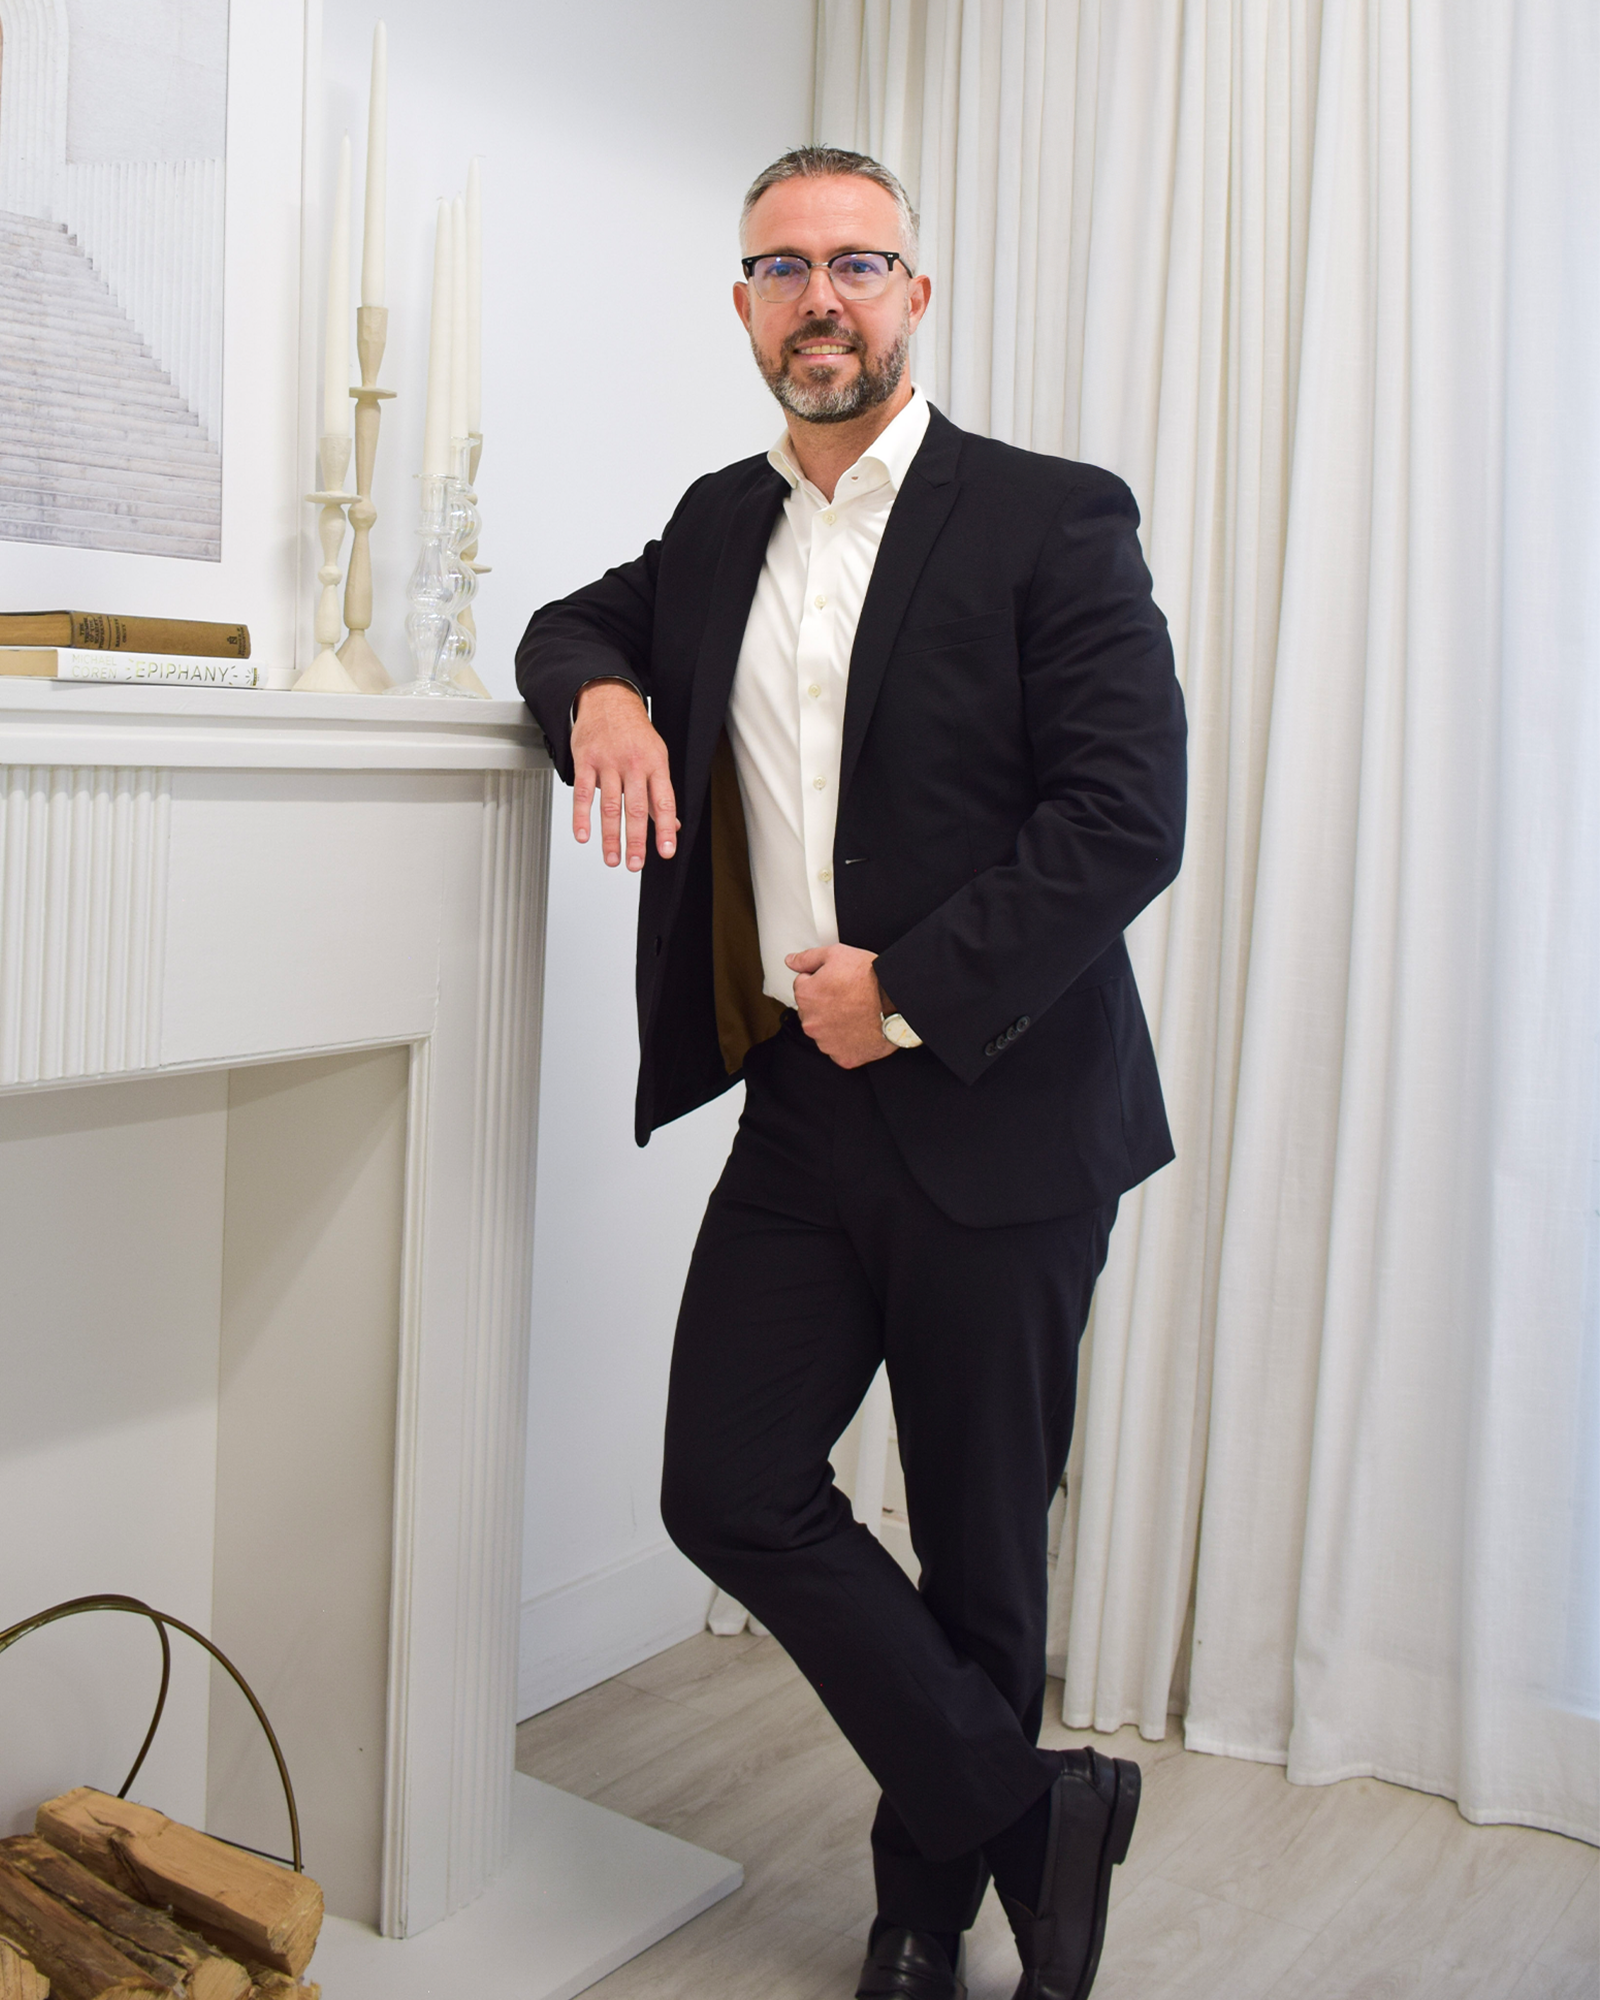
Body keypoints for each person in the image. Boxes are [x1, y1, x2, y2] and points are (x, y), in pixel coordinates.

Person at [516, 145, 1186, 2000]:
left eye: (857, 263)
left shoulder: (1050, 518)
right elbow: (569, 625)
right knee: (727, 1483)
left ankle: (922, 1912)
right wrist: (604, 695)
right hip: (802, 1122)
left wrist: (904, 993)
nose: (822, 299)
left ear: (914, 293)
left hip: (1006, 1109)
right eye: (784, 268)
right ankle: (1032, 1813)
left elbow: (1127, 816)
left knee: (978, 1549)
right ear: (744, 307)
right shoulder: (719, 522)